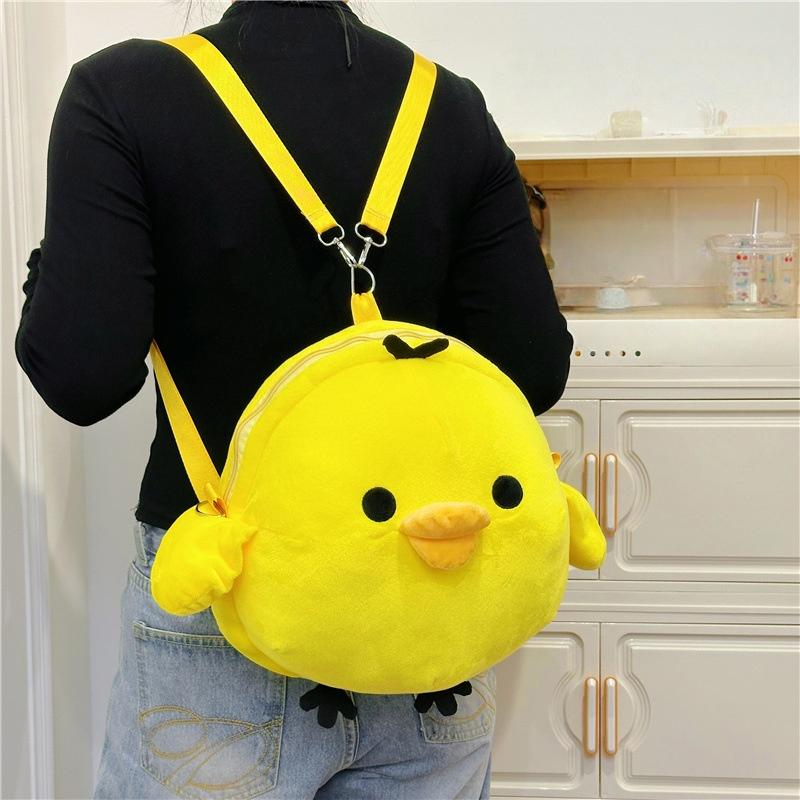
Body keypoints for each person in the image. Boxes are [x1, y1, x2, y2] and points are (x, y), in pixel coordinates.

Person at [15, 1, 573, 797]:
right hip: (426, 615)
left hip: (225, 591)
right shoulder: (446, 104)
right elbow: (533, 367)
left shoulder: (121, 92)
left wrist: (54, 271)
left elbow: (81, 374)